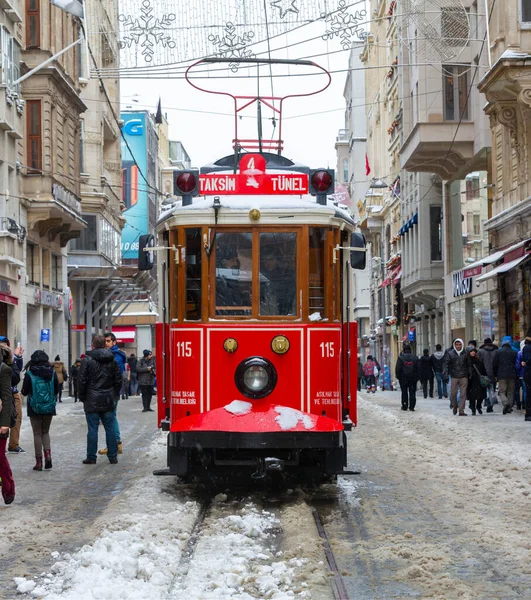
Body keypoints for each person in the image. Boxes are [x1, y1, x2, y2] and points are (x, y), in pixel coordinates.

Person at [78, 335, 122, 464]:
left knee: (92, 428)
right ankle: (113, 455)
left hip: (91, 398)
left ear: (92, 345)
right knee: (110, 427)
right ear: (104, 344)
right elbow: (118, 379)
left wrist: (82, 396)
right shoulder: (112, 359)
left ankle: (91, 456)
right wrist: (114, 394)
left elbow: (82, 380)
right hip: (107, 397)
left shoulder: (87, 360)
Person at [21, 350, 59, 470]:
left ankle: (39, 463)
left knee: (37, 433)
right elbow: (56, 390)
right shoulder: (52, 373)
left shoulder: (29, 374)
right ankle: (48, 457)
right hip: (49, 406)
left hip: (34, 407)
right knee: (45, 432)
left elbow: (24, 392)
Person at [100, 332, 127, 456]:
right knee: (111, 417)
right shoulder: (113, 355)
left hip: (111, 391)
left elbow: (116, 375)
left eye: (108, 341)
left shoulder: (115, 356)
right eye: (105, 341)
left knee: (110, 418)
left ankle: (115, 444)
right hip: (111, 391)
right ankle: (116, 443)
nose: (106, 343)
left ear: (114, 342)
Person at [0, 342, 15, 504]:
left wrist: (5, 423)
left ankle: (8, 488)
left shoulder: (4, 369)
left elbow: (6, 397)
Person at [4, 340, 25, 453]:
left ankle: (13, 444)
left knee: (17, 419)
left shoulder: (11, 358)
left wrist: (18, 358)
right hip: (4, 394)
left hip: (13, 392)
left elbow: (16, 374)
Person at [443, 338, 469, 416]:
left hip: (464, 376)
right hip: (454, 375)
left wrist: (469, 374)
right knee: (453, 393)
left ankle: (461, 410)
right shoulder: (450, 353)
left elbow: (469, 364)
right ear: (454, 345)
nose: (458, 346)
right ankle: (455, 406)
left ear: (462, 345)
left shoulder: (466, 353)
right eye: (456, 344)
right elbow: (445, 364)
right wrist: (446, 375)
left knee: (463, 394)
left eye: (459, 344)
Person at [493, 336, 518, 415]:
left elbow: (495, 364)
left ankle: (505, 403)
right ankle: (509, 407)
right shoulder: (514, 352)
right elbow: (516, 364)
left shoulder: (498, 352)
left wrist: (495, 374)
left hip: (502, 374)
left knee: (502, 391)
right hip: (512, 374)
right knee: (511, 391)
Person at [396, 344, 419, 411]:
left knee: (404, 392)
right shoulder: (415, 358)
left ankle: (405, 405)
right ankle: (412, 406)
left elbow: (398, 368)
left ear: (404, 350)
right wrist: (417, 377)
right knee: (412, 392)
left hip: (403, 378)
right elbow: (418, 368)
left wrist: (398, 377)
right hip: (413, 378)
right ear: (410, 350)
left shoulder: (401, 358)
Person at [478, 337, 499, 413]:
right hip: (493, 373)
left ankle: (483, 402)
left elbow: (478, 363)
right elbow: (497, 363)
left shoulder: (480, 351)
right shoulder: (496, 351)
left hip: (484, 373)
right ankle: (490, 405)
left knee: (483, 390)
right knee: (492, 390)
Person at [467, 346, 487, 415]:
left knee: (480, 395)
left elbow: (483, 369)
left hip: (479, 379)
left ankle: (478, 406)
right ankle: (473, 409)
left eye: (474, 351)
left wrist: (485, 377)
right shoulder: (467, 361)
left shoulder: (479, 360)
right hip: (471, 380)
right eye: (471, 351)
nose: (473, 353)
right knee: (472, 396)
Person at [518, 337, 531, 422]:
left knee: (528, 393)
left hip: (527, 372)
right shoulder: (528, 347)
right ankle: (528, 414)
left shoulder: (525, 347)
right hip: (528, 372)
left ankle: (528, 414)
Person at [515, 340, 527, 413]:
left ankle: (524, 404)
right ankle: (524, 403)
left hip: (522, 374)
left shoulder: (520, 353)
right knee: (526, 390)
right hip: (527, 373)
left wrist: (517, 372)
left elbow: (517, 365)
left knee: (524, 390)